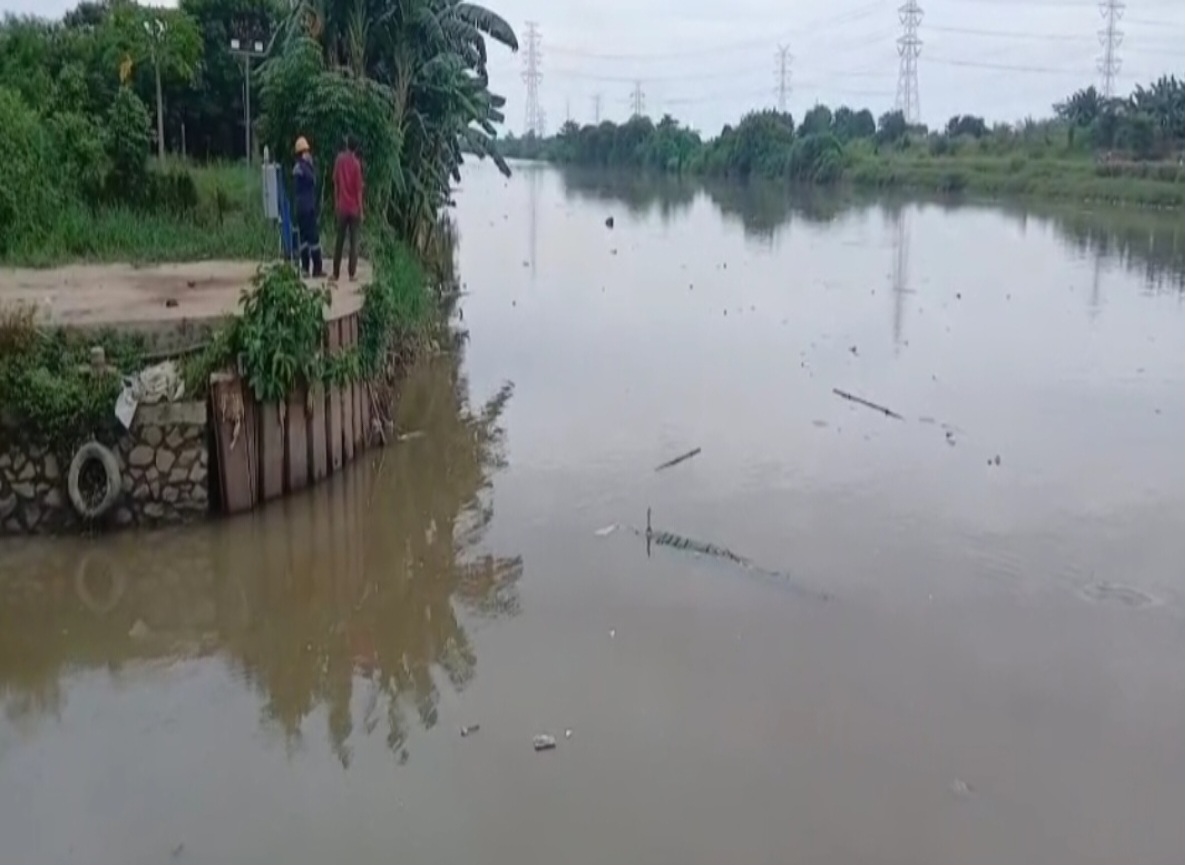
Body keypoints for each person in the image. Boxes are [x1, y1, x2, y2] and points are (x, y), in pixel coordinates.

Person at [332, 135, 365, 281]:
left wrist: (336, 202)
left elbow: (336, 183)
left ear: (347, 145)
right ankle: (352, 274)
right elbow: (358, 190)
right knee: (354, 242)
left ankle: (335, 273)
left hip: (342, 206)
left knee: (339, 240)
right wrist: (361, 210)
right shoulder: (357, 165)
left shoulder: (339, 160)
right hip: (354, 209)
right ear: (356, 148)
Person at [292, 136, 324, 278]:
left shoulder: (296, 167)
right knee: (314, 239)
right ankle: (317, 269)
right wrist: (310, 165)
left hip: (299, 208)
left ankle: (305, 269)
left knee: (303, 239)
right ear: (304, 152)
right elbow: (313, 181)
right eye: (307, 151)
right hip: (308, 207)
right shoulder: (305, 167)